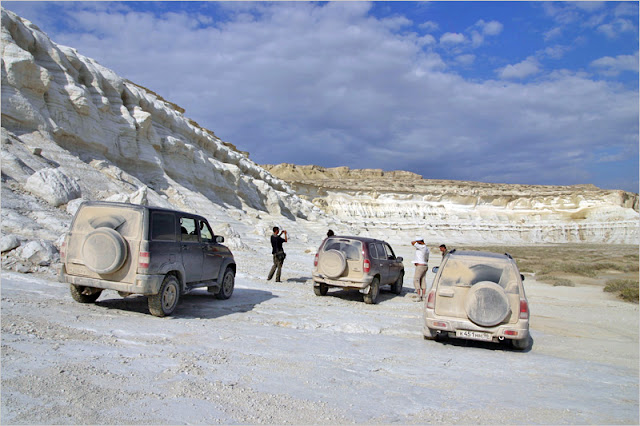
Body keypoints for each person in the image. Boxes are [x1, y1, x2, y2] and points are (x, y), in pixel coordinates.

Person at [411, 237, 429, 301]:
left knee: (416, 280)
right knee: (423, 280)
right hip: (425, 265)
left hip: (420, 266)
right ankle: (423, 296)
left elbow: (412, 242)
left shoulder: (422, 247)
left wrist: (417, 242)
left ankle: (418, 296)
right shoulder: (426, 248)